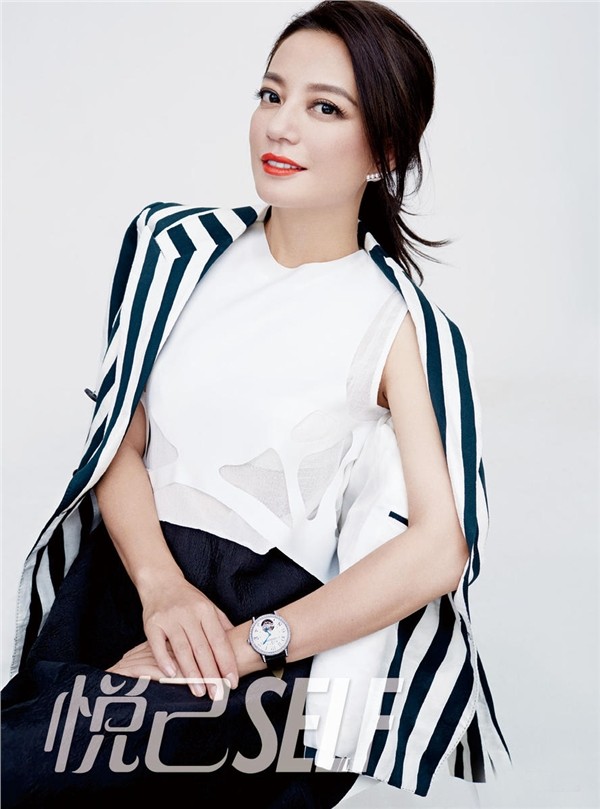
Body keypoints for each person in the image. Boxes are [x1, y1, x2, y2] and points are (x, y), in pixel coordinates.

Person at [1, 1, 511, 806]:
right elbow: (119, 440)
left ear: (384, 150)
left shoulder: (400, 327)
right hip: (122, 587)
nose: (281, 125)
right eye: (272, 95)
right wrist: (162, 588)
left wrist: (240, 648)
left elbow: (439, 547)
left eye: (324, 108)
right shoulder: (173, 250)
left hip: (251, 657)